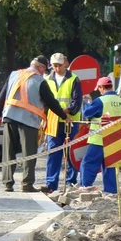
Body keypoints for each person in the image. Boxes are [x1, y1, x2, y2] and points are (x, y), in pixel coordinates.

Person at [0, 55, 70, 192]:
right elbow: (51, 102)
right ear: (40, 67)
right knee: (29, 153)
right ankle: (27, 184)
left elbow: (2, 95)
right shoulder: (39, 80)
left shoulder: (14, 74)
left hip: (9, 116)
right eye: (44, 69)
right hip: (28, 120)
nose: (45, 72)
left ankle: (7, 183)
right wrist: (64, 116)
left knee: (8, 151)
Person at [77, 77, 121, 195]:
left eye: (99, 89)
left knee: (89, 163)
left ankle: (86, 186)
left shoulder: (101, 101)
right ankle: (111, 191)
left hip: (99, 139)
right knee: (110, 166)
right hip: (116, 140)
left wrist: (87, 102)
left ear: (101, 87)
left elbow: (87, 113)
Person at [40, 53, 82, 195]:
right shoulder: (47, 80)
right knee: (53, 152)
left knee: (71, 152)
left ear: (66, 63)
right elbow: (44, 102)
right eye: (54, 65)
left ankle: (71, 182)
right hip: (53, 121)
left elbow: (77, 100)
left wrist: (67, 110)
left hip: (70, 120)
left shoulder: (74, 79)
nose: (57, 68)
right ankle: (51, 183)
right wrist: (43, 117)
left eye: (59, 65)